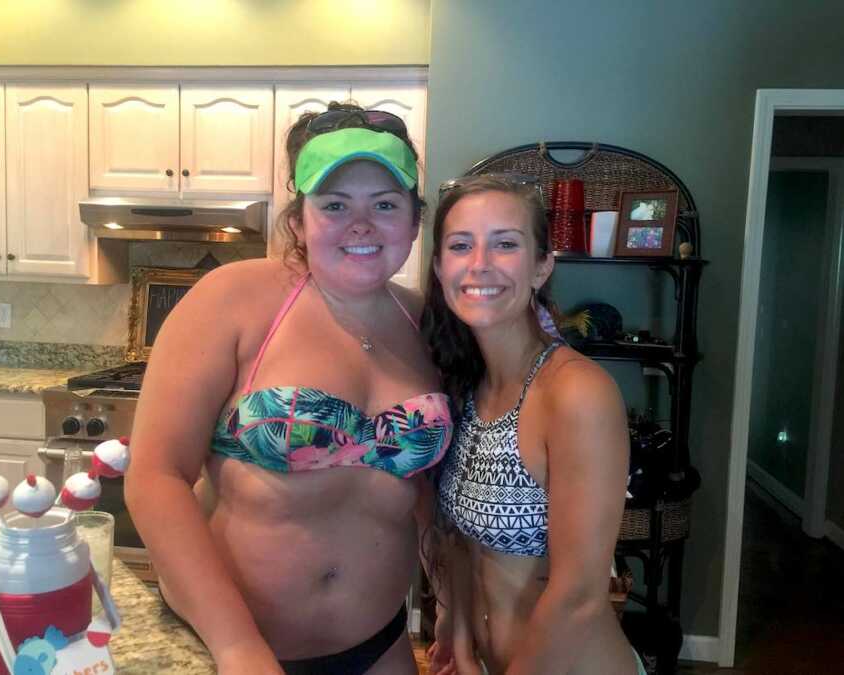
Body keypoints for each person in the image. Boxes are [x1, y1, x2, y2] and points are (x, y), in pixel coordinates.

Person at [125, 104, 453, 675]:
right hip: (231, 650)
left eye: (384, 204)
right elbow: (156, 477)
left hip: (380, 645)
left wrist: (451, 602)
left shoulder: (424, 325)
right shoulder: (232, 299)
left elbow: (425, 494)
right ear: (299, 220)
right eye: (334, 205)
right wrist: (237, 648)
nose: (361, 224)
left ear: (413, 220)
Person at [421, 175, 645, 675]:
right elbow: (462, 541)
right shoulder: (466, 386)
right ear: (439, 267)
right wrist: (456, 634)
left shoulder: (575, 392)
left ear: (542, 265)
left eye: (505, 244)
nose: (479, 263)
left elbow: (580, 596)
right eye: (461, 245)